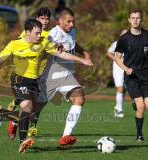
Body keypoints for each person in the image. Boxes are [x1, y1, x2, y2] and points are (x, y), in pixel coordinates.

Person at [0, 19, 92, 153]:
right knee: (26, 107)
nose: (40, 36)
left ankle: (3, 112)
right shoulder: (14, 44)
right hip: (19, 80)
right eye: (37, 33)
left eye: (40, 33)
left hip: (35, 82)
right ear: (27, 32)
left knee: (30, 112)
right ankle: (22, 142)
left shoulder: (43, 42)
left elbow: (61, 53)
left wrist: (81, 60)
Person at [36, 8, 92, 146]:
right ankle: (14, 121)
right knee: (34, 108)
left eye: (73, 21)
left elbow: (73, 43)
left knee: (79, 100)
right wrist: (81, 60)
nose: (72, 24)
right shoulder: (52, 34)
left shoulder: (72, 31)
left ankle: (66, 136)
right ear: (60, 21)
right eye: (68, 21)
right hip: (51, 76)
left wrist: (83, 52)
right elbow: (44, 49)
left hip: (67, 75)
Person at [0, 7, 53, 140]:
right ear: (37, 19)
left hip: (41, 77)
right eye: (42, 18)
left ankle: (4, 113)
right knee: (27, 108)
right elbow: (21, 47)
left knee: (33, 111)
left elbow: (53, 49)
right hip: (24, 77)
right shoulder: (29, 33)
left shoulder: (51, 34)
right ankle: (23, 138)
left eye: (47, 18)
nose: (44, 21)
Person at [115, 8, 148, 142]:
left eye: (137, 18)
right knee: (141, 107)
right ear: (129, 20)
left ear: (141, 19)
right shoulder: (124, 38)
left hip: (145, 74)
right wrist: (126, 69)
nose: (135, 20)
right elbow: (117, 57)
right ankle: (139, 135)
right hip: (131, 75)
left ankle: (135, 100)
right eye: (132, 18)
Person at [106, 29, 127, 118]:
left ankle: (118, 107)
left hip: (127, 68)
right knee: (120, 89)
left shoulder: (132, 44)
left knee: (125, 89)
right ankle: (119, 109)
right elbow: (108, 52)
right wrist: (115, 59)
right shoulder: (116, 43)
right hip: (118, 69)